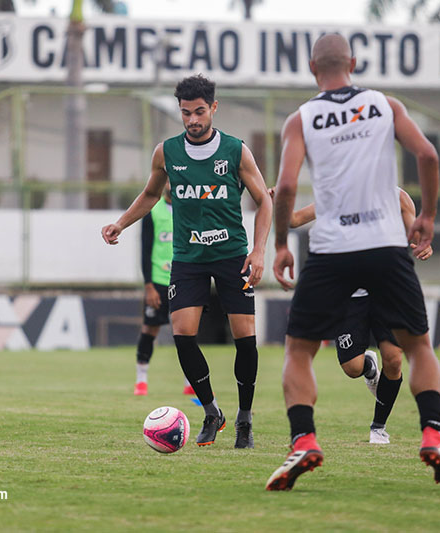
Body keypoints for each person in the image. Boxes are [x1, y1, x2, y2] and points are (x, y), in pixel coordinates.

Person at [265, 34, 440, 490]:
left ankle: (304, 440)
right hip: (386, 247)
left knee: (299, 351)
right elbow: (427, 154)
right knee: (418, 348)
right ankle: (432, 433)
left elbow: (287, 188)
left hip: (333, 250)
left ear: (313, 69)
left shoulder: (301, 119)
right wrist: (427, 216)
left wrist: (280, 244)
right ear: (352, 62)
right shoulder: (384, 105)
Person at [102, 74, 272, 449]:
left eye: (199, 112)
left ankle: (245, 419)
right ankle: (212, 412)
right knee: (181, 335)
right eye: (185, 113)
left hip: (231, 256)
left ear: (213, 108)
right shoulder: (167, 152)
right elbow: (149, 195)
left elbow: (266, 200)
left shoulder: (235, 150)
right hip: (188, 258)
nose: (193, 120)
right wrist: (120, 223)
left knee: (245, 339)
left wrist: (258, 251)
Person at [276, 187, 432, 444]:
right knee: (352, 368)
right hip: (349, 297)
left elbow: (414, 237)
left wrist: (423, 246)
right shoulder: (337, 195)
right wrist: (276, 200)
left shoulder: (398, 198)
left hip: (386, 293)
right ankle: (369, 369)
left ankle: (378, 427)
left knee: (394, 360)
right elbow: (294, 219)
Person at [133, 183, 196, 397]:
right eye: (167, 180)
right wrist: (148, 285)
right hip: (158, 281)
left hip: (183, 278)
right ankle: (141, 380)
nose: (171, 184)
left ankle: (191, 382)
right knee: (150, 329)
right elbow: (145, 249)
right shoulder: (152, 211)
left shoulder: (189, 208)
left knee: (187, 331)